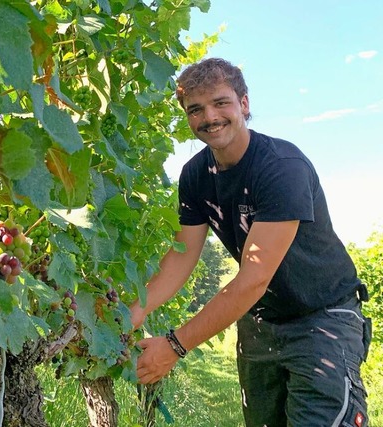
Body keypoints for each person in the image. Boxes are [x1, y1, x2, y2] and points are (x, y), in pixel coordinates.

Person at [130, 57, 372, 427]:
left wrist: (175, 346)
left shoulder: (281, 166)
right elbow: (183, 256)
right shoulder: (195, 176)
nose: (209, 117)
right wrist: (136, 309)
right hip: (259, 322)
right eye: (196, 109)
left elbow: (254, 277)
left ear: (244, 104)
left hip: (322, 317)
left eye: (220, 103)